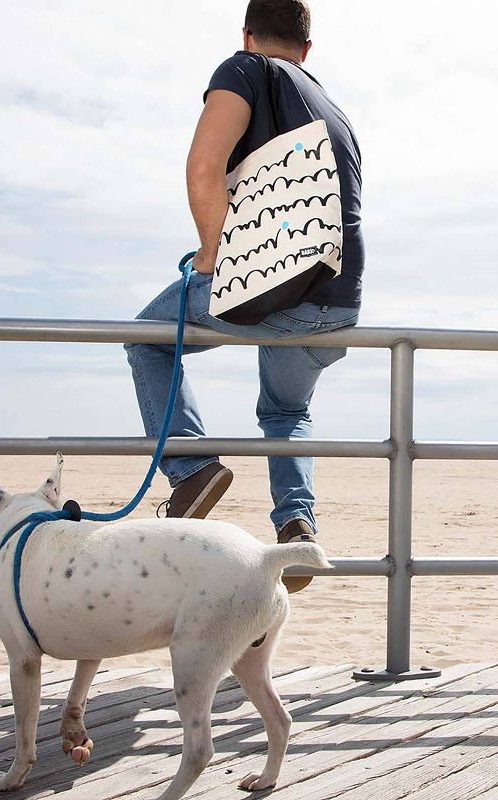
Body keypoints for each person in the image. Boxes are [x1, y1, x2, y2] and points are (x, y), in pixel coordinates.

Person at [124, 0, 364, 592]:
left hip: (260, 282)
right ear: (307, 49)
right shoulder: (336, 111)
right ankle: (296, 524)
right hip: (335, 303)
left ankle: (192, 468)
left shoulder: (244, 69)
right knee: (287, 412)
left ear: (247, 35)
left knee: (144, 340)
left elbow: (205, 164)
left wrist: (210, 252)